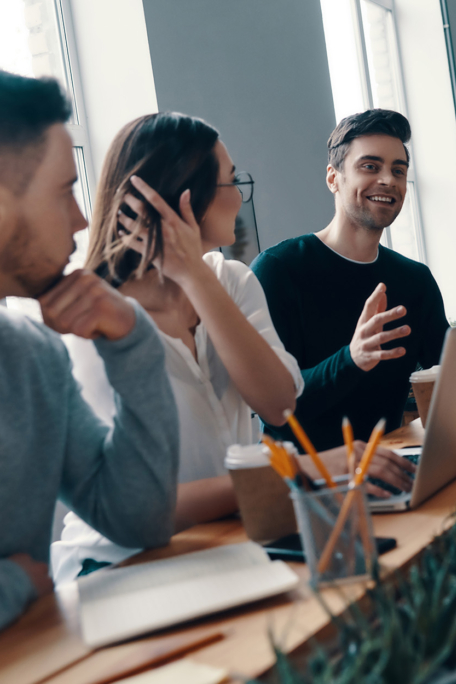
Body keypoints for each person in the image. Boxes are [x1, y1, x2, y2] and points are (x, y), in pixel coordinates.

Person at [51, 114, 412, 586]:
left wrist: (196, 278)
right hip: (123, 562)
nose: (240, 195)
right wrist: (311, 469)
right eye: (231, 180)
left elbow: (278, 404)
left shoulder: (231, 280)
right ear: (185, 196)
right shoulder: (92, 320)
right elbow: (144, 505)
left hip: (231, 536)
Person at [0, 72, 179, 630]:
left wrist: (133, 339)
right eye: (63, 191)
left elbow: (138, 517)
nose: (82, 220)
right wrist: (12, 585)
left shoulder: (32, 354)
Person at [252, 109, 456, 451]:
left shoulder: (414, 279)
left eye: (398, 170)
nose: (388, 179)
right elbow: (277, 409)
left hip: (395, 463)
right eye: (370, 166)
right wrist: (352, 358)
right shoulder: (278, 270)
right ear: (333, 178)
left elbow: (449, 375)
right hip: (311, 486)